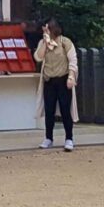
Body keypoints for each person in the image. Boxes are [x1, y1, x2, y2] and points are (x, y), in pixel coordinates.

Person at [35, 18, 78, 151]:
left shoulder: (65, 42)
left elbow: (72, 60)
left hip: (63, 79)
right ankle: (48, 137)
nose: (45, 31)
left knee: (66, 109)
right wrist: (45, 42)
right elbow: (38, 57)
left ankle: (69, 138)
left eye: (47, 29)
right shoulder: (43, 43)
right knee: (49, 110)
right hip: (49, 80)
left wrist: (71, 76)